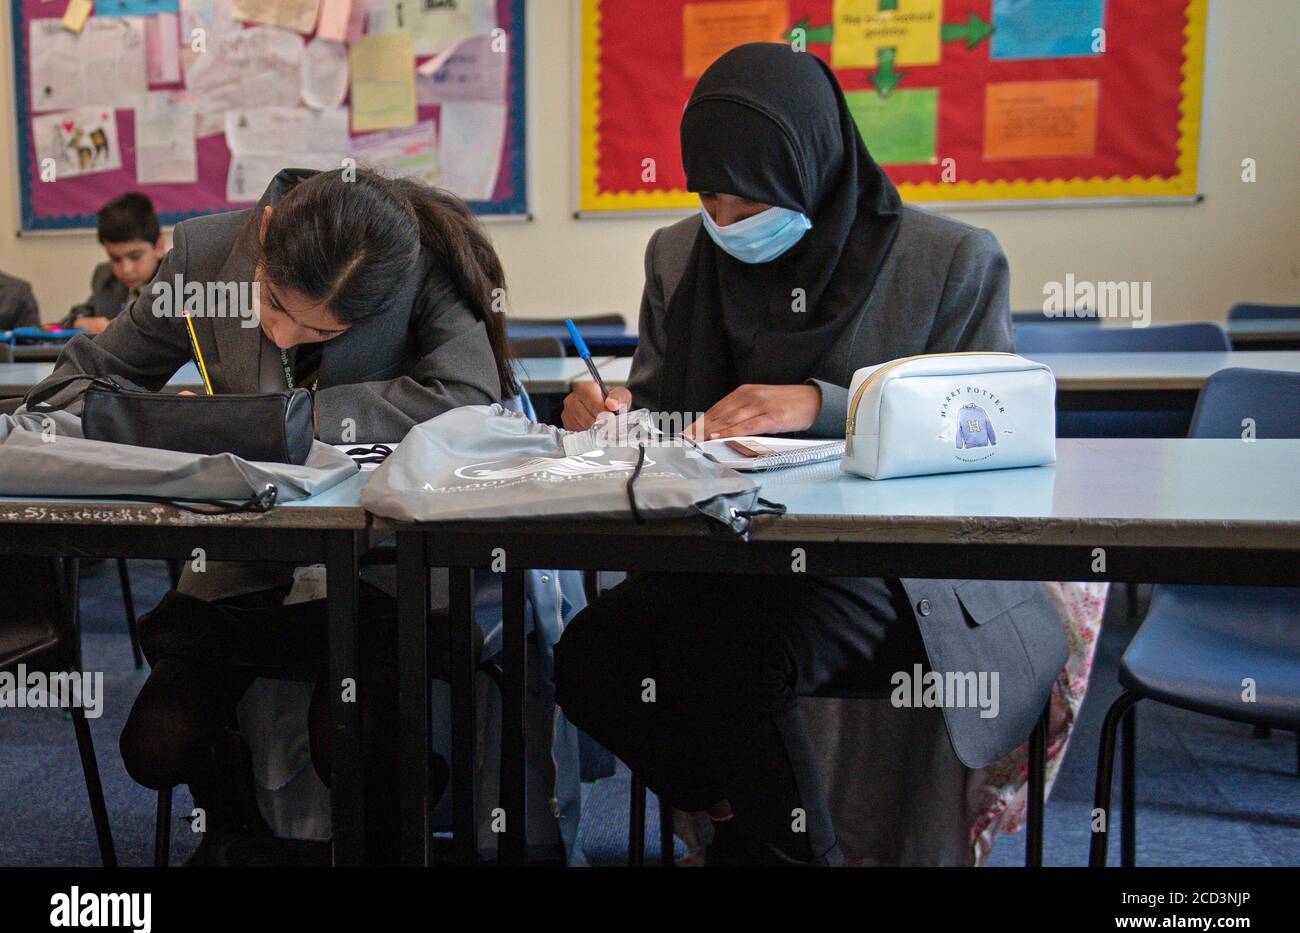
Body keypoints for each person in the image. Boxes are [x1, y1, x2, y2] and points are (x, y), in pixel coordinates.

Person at [554, 44, 1068, 866]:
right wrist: (614, 409)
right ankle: (741, 821)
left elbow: (990, 435)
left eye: (749, 196)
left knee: (727, 654)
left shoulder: (949, 260)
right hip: (724, 553)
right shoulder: (680, 255)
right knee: (590, 659)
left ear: (812, 168)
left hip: (891, 568)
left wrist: (827, 406)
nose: (726, 222)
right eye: (710, 196)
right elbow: (660, 406)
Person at [29, 167, 516, 863]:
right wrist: (176, 424)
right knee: (156, 744)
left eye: (324, 328)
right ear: (263, 237)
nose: (286, 339)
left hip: (381, 563)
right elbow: (71, 386)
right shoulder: (202, 258)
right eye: (276, 307)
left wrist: (283, 421)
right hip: (249, 561)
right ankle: (236, 837)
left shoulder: (413, 264)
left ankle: (389, 835)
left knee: (352, 732)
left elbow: (470, 399)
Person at [59, 193, 167, 333]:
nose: (126, 269)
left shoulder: (178, 279)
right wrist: (80, 322)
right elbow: (73, 317)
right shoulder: (107, 278)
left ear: (159, 246)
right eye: (115, 259)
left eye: (135, 256)